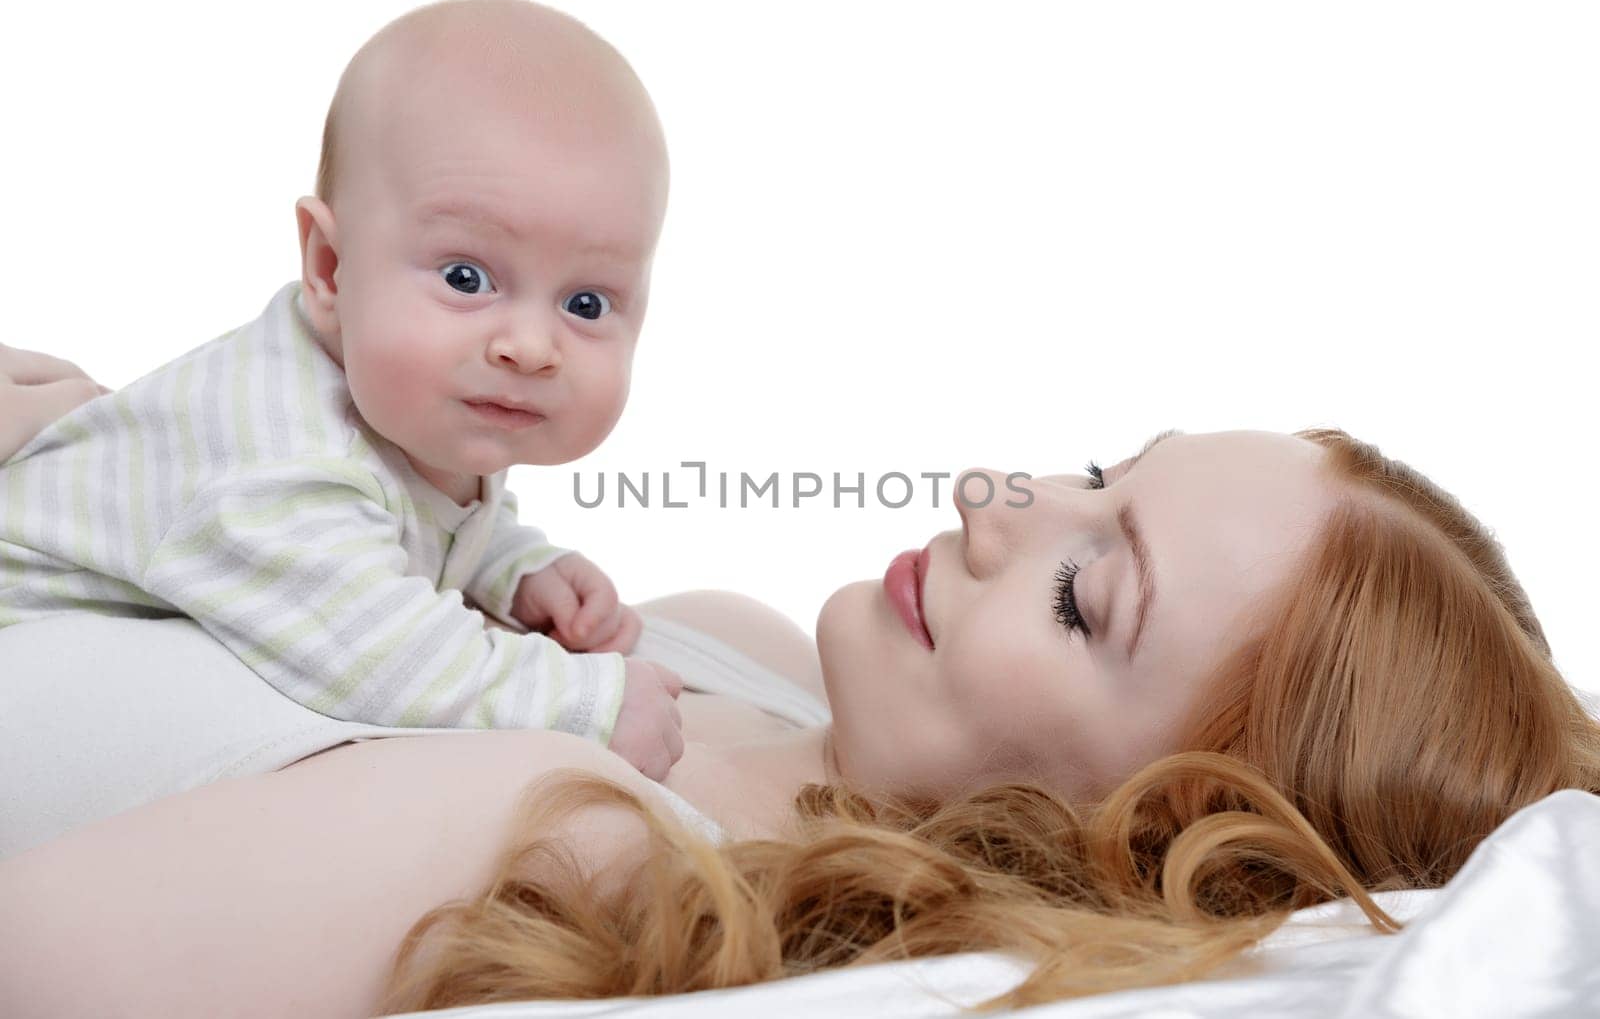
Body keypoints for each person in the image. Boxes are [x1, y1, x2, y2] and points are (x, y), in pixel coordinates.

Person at [2, 378, 1594, 1017]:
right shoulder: (722, 645)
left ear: (1129, 830)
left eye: (1082, 591)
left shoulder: (577, 829)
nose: (995, 496)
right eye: (1098, 472)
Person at [0, 0, 690, 781]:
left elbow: (401, 505)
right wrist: (583, 703)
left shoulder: (410, 402)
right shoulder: (283, 460)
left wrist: (511, 564)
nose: (531, 346)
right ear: (330, 268)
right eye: (467, 278)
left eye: (586, 304)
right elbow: (380, 658)